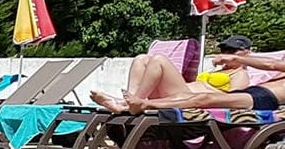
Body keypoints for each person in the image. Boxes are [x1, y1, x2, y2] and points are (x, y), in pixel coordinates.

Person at [93, 37, 285, 114]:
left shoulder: (240, 73)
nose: (228, 53)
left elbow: (272, 64)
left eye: (233, 51)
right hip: (258, 93)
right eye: (226, 50)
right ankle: (129, 102)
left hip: (265, 99)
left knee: (203, 97)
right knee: (143, 58)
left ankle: (138, 104)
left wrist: (240, 60)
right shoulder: (222, 70)